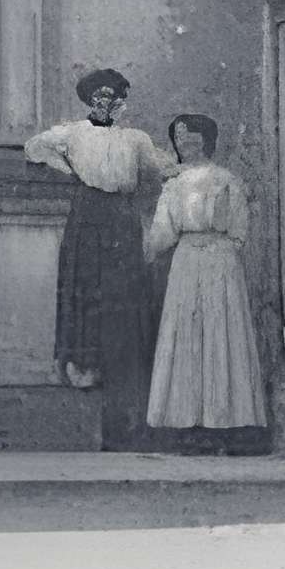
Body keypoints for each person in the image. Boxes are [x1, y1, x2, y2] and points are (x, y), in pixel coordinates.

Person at [25, 68, 175, 447]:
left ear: (121, 102)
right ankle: (85, 363)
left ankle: (123, 370)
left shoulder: (135, 139)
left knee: (124, 293)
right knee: (85, 286)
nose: (106, 102)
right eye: (100, 96)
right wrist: (69, 170)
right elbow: (35, 147)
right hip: (87, 211)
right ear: (90, 99)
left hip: (122, 216)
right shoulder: (73, 132)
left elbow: (158, 170)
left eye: (114, 96)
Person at [145, 116, 268, 450]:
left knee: (221, 331)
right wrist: (141, 252)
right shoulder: (172, 185)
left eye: (193, 136)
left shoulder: (228, 180)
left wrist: (220, 250)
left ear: (207, 140)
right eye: (180, 138)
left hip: (221, 260)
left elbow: (241, 230)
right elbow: (162, 231)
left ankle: (227, 424)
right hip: (186, 259)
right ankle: (186, 423)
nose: (186, 143)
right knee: (185, 333)